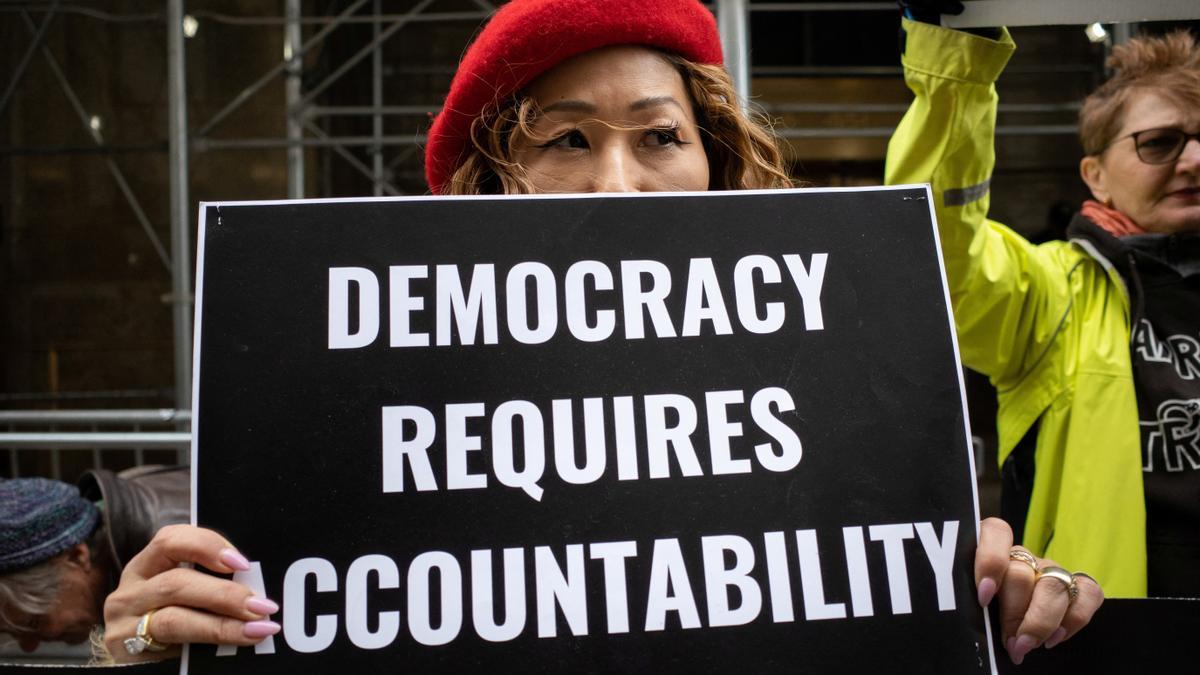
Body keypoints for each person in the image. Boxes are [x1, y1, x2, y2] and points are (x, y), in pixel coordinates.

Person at [99, 0, 1104, 667]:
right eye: (567, 138)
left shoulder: (845, 403)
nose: (619, 184)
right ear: (494, 177)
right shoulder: (351, 429)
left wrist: (982, 611)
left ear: (715, 161)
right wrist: (156, 648)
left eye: (661, 137)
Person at [886, 8, 1200, 599]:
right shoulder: (1054, 295)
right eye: (1160, 143)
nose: (1194, 161)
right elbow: (934, 251)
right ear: (1096, 175)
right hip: (1107, 635)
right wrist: (958, 58)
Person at [0, 467, 191, 652]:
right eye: (12, 633)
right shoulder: (127, 498)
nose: (28, 647)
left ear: (77, 556)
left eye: (34, 622)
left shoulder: (176, 562)